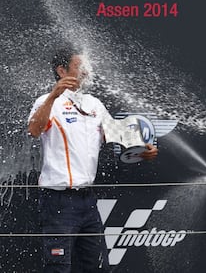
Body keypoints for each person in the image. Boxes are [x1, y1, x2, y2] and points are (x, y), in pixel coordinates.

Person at [28, 45, 158, 272]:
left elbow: (115, 133)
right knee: (58, 267)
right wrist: (53, 95)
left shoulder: (94, 104)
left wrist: (142, 149)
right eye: (80, 67)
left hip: (88, 200)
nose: (86, 72)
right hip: (57, 201)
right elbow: (34, 130)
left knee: (96, 267)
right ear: (61, 71)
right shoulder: (46, 102)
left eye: (87, 67)